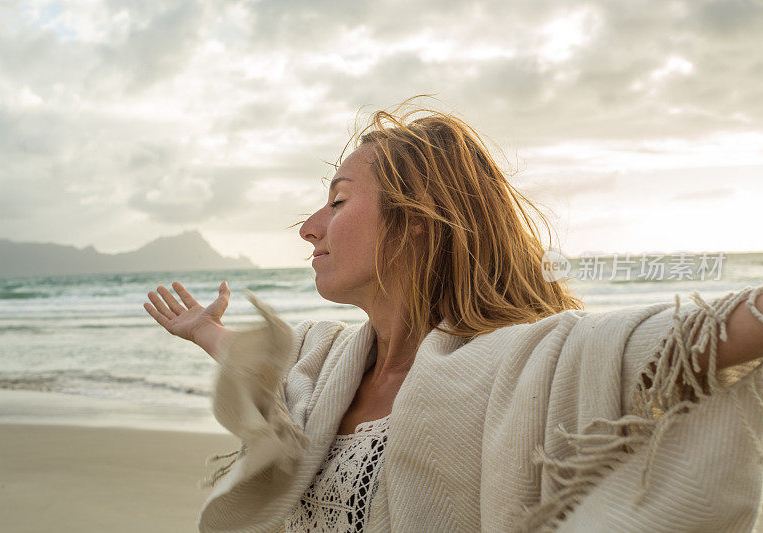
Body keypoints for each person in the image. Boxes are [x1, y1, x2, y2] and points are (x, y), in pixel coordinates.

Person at [144, 98, 763, 532]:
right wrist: (207, 331)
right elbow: (265, 374)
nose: (309, 229)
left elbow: (694, 338)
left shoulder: (528, 366)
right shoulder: (322, 362)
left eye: (337, 201)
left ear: (415, 219)